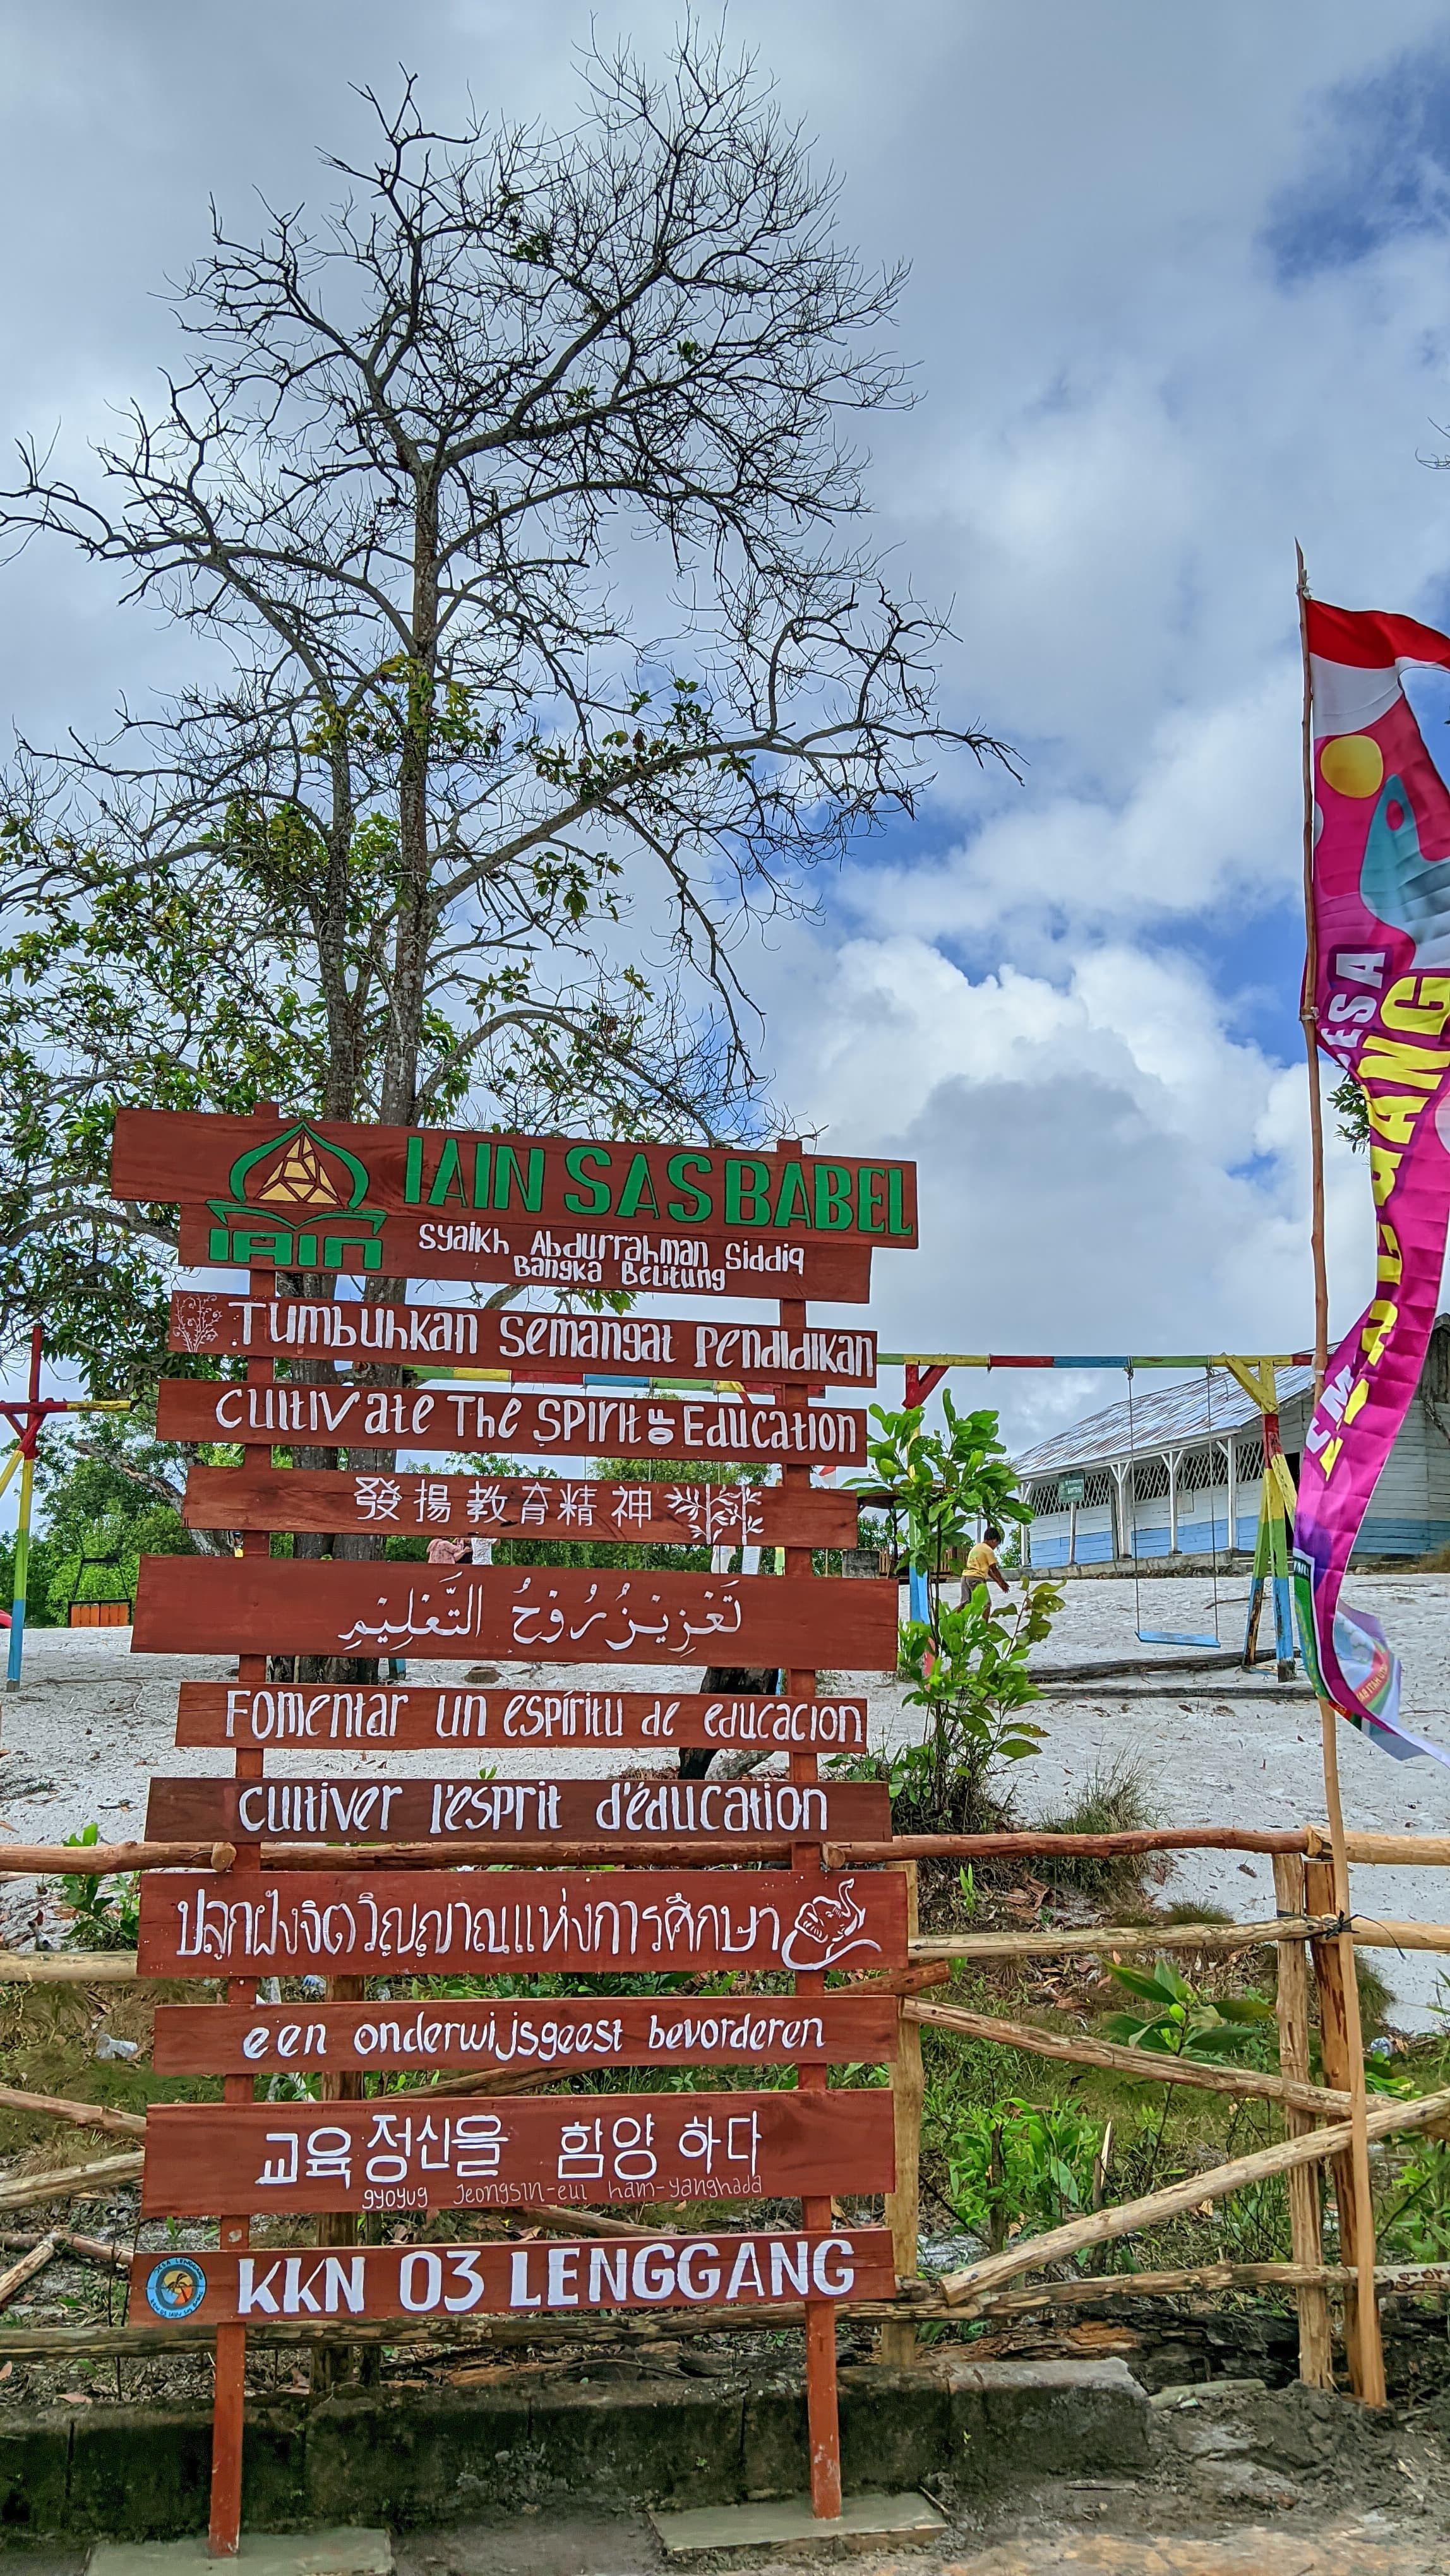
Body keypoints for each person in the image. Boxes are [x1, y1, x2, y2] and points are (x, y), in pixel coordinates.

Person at [961, 1523, 1010, 1601]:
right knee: (986, 1604)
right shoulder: (988, 1550)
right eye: (996, 1545)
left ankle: (953, 1613)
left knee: (965, 1603)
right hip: (976, 1578)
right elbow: (994, 1569)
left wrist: (998, 1582)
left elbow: (989, 1572)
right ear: (994, 1541)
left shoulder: (977, 1547)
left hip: (965, 1577)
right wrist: (1003, 1583)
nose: (995, 1548)